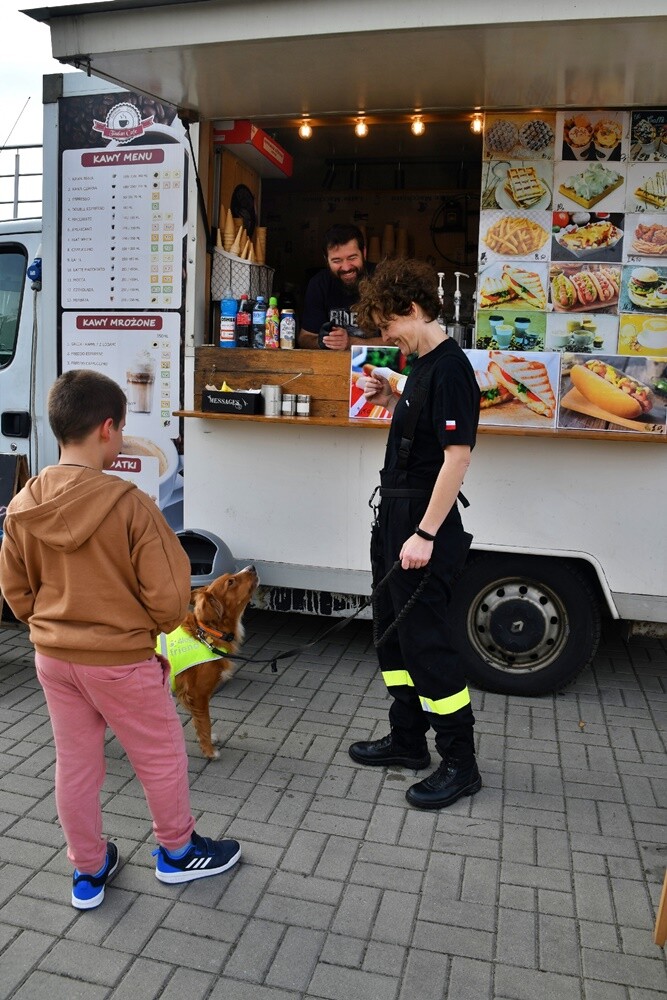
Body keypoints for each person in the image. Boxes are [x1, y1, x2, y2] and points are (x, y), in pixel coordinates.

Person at [0, 370, 241, 909]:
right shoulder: (131, 505)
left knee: (76, 763)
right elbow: (171, 594)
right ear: (108, 429)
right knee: (159, 756)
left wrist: (51, 624)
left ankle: (88, 870)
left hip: (53, 659)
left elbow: (15, 594)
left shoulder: (23, 503)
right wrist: (144, 634)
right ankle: (178, 853)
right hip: (122, 660)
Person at [347, 258, 482, 810]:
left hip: (422, 525)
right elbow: (421, 412)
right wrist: (393, 397)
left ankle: (460, 763)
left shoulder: (449, 368)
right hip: (396, 520)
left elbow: (457, 457)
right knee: (393, 636)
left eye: (387, 326)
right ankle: (408, 741)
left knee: (426, 643)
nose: (387, 338)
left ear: (411, 309)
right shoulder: (424, 366)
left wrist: (425, 534)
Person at [298, 223, 384, 350]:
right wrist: (323, 341)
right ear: (326, 259)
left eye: (352, 258)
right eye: (337, 261)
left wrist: (351, 342)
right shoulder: (319, 283)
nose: (346, 267)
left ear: (364, 253)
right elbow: (305, 338)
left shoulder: (383, 279)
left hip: (377, 364)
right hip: (332, 365)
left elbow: (401, 340)